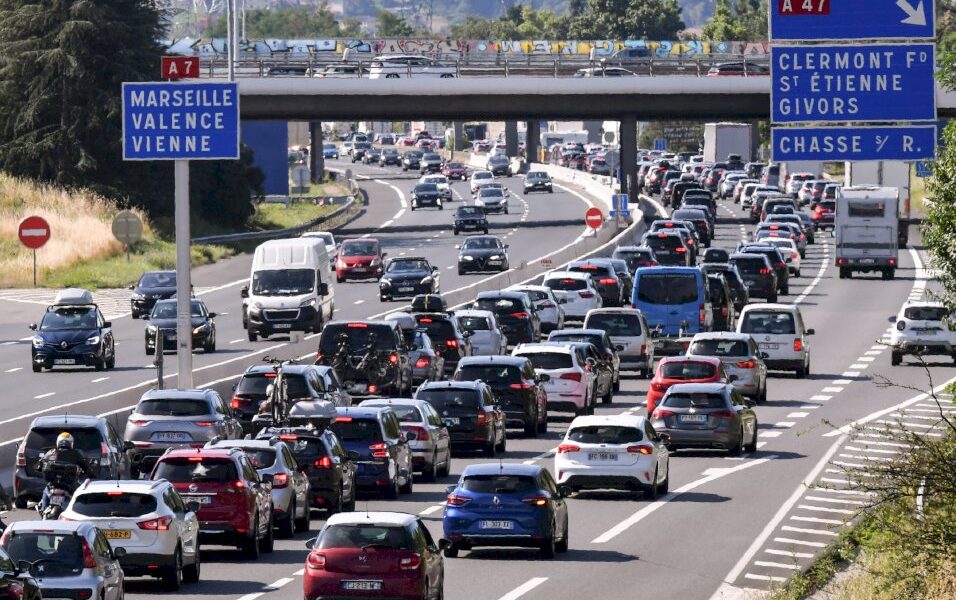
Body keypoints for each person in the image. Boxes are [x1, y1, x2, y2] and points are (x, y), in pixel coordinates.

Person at [38, 433, 96, 511]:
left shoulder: (51, 452)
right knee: (79, 495)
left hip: (54, 485)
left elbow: (40, 464)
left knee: (46, 490)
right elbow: (86, 468)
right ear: (71, 443)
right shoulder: (76, 454)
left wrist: (39, 468)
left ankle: (43, 508)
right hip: (69, 486)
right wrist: (91, 474)